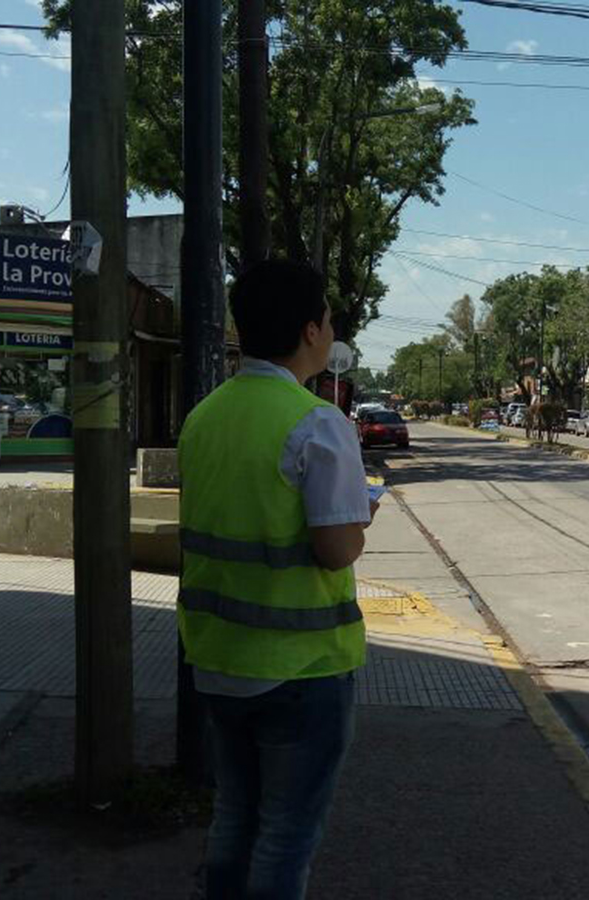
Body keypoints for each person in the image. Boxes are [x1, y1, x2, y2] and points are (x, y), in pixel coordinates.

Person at [178, 260, 377, 899]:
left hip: (216, 657)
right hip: (303, 668)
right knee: (287, 835)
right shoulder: (318, 422)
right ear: (311, 329)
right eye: (328, 320)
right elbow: (336, 550)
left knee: (234, 817)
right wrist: (361, 514)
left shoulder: (204, 415)